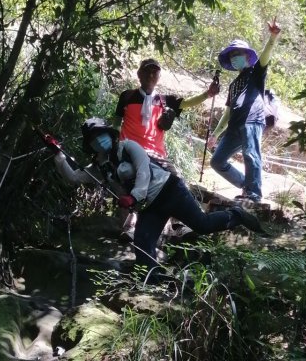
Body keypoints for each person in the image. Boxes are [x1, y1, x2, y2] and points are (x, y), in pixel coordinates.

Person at [46, 118, 268, 278]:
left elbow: (144, 172)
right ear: (90, 145)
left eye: (100, 135)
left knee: (202, 224)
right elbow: (74, 177)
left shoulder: (129, 147)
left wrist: (133, 197)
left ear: (109, 134)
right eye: (93, 140)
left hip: (170, 191)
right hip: (150, 207)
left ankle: (235, 214)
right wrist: (58, 155)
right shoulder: (100, 166)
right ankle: (153, 281)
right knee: (142, 244)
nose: (98, 141)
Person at [114, 58, 220, 238]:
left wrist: (207, 94)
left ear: (159, 76)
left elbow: (186, 103)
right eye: (147, 71)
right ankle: (130, 227)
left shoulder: (163, 100)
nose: (150, 75)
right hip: (130, 151)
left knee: (176, 181)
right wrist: (116, 147)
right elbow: (116, 124)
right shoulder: (127, 96)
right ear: (139, 74)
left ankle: (178, 225)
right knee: (132, 184)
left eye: (154, 72)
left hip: (157, 155)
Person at [208, 19, 281, 203]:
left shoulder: (255, 72)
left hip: (252, 120)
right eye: (232, 55)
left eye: (238, 54)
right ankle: (246, 185)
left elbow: (265, 57)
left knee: (251, 154)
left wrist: (272, 37)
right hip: (234, 126)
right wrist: (216, 134)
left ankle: (254, 194)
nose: (235, 58)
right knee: (217, 161)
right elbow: (227, 112)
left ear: (247, 56)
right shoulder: (233, 85)